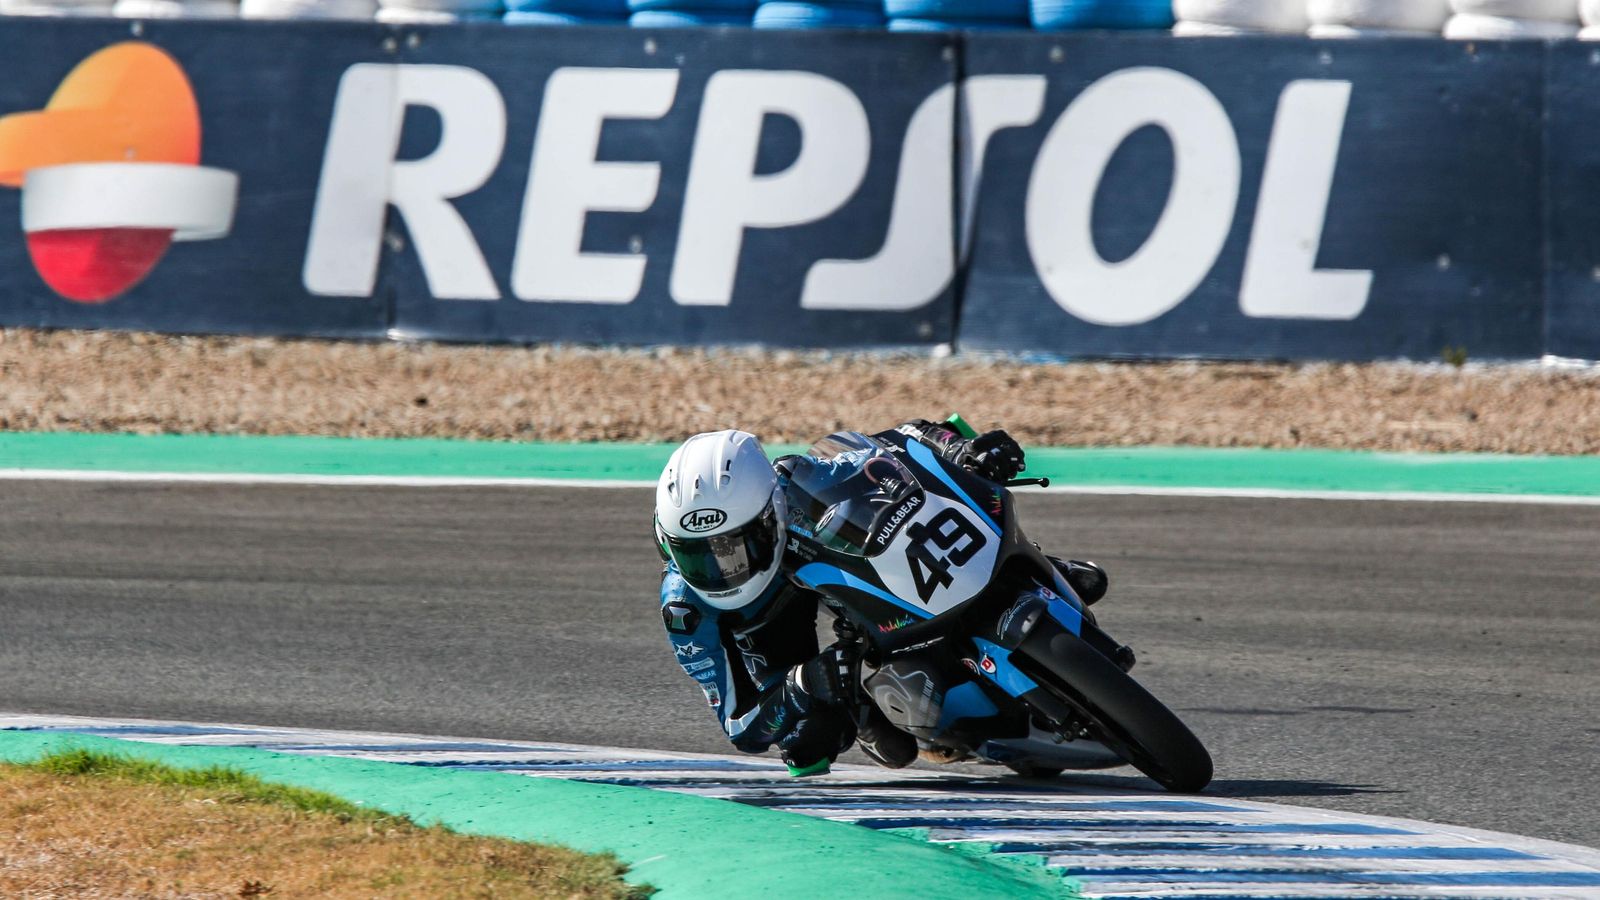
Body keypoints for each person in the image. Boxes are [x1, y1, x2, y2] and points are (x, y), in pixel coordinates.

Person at [654, 419, 1109, 775]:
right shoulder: (687, 610)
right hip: (774, 634)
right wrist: (803, 685)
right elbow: (740, 728)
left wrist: (961, 450)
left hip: (813, 568)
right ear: (666, 543)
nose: (723, 569)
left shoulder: (798, 480)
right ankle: (883, 712)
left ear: (771, 510)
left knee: (942, 503)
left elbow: (899, 442)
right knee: (817, 744)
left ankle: (1035, 566)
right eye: (700, 556)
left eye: (738, 545)